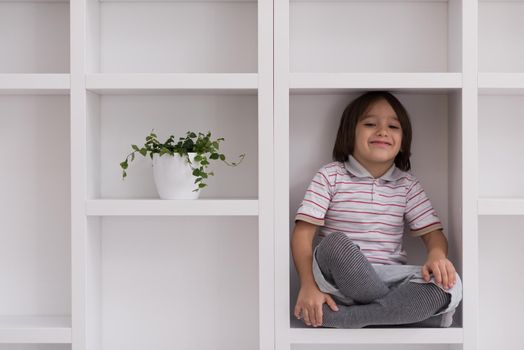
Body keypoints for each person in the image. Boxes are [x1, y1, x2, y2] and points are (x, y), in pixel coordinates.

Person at [291, 91, 463, 328]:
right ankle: (400, 315)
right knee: (335, 244)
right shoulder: (331, 176)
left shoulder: (407, 185)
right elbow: (302, 235)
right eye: (370, 124)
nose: (382, 131)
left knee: (450, 284)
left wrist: (437, 256)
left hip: (389, 278)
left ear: (403, 141)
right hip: (338, 282)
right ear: (349, 133)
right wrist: (308, 285)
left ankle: (350, 318)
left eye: (393, 126)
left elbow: (434, 236)